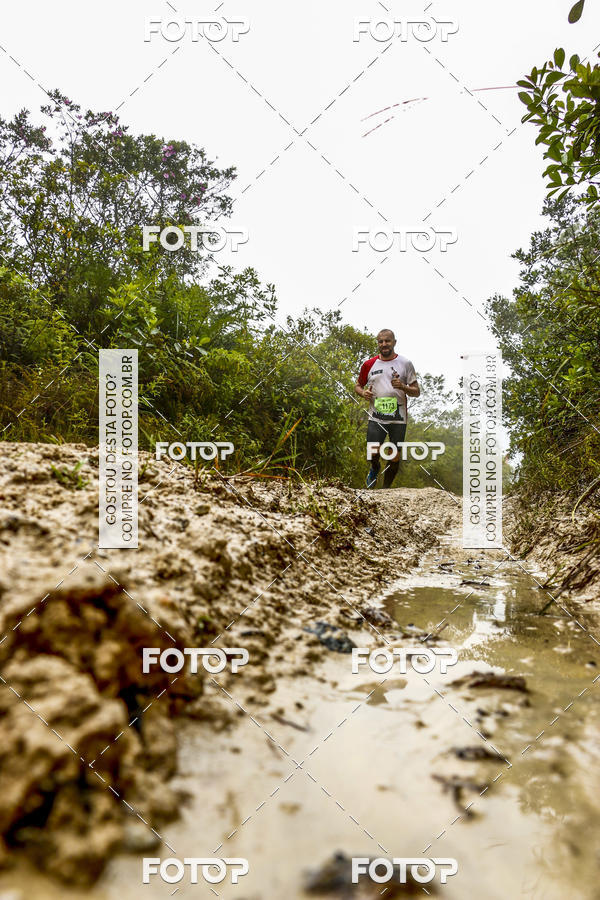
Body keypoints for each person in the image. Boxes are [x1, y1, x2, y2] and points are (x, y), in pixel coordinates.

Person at [355, 329, 420, 489]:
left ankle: (386, 490)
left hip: (398, 418)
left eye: (387, 341)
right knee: (372, 451)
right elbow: (357, 386)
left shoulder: (405, 364)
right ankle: (375, 467)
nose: (384, 344)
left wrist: (403, 387)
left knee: (394, 455)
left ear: (394, 342)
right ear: (378, 343)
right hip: (376, 416)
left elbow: (416, 392)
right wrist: (363, 393)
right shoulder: (368, 364)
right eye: (381, 341)